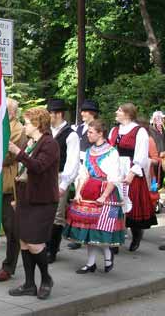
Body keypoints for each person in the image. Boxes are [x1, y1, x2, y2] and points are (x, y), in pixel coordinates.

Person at [7, 107, 59, 300]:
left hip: (42, 201)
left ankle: (46, 279)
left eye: (27, 123)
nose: (25, 126)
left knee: (35, 243)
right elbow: (23, 172)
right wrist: (17, 199)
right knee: (24, 242)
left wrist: (17, 152)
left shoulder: (50, 144)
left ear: (37, 124)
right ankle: (29, 284)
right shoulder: (32, 142)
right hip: (26, 200)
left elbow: (38, 167)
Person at [63, 120, 125, 273]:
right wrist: (78, 192)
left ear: (100, 133)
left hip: (106, 193)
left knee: (101, 229)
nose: (88, 135)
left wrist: (104, 196)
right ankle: (91, 263)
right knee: (90, 229)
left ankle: (107, 255)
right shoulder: (90, 151)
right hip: (89, 191)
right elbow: (83, 173)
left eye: (90, 132)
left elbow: (114, 177)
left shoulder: (112, 152)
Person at [108, 103, 157, 252]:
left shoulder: (139, 131)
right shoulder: (114, 130)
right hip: (116, 169)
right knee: (114, 206)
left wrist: (131, 174)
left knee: (132, 207)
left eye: (120, 110)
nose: (116, 112)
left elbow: (141, 156)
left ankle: (136, 235)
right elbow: (110, 150)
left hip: (131, 170)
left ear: (128, 114)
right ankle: (114, 241)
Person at [0, 98, 26, 281]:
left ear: (12, 113)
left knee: (11, 228)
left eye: (3, 110)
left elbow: (5, 155)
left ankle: (8, 267)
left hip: (7, 184)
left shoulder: (18, 129)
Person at [46, 99, 80, 263]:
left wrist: (64, 184)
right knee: (45, 212)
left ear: (58, 114)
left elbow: (72, 162)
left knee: (57, 215)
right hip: (45, 176)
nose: (48, 116)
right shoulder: (46, 131)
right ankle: (44, 246)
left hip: (60, 176)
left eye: (50, 113)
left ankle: (52, 250)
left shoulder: (71, 134)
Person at [68, 99, 100, 251]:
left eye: (85, 111)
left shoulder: (97, 128)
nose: (82, 113)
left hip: (91, 165)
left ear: (92, 113)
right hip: (77, 163)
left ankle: (96, 234)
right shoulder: (78, 128)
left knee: (89, 201)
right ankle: (78, 236)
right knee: (78, 200)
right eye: (82, 111)